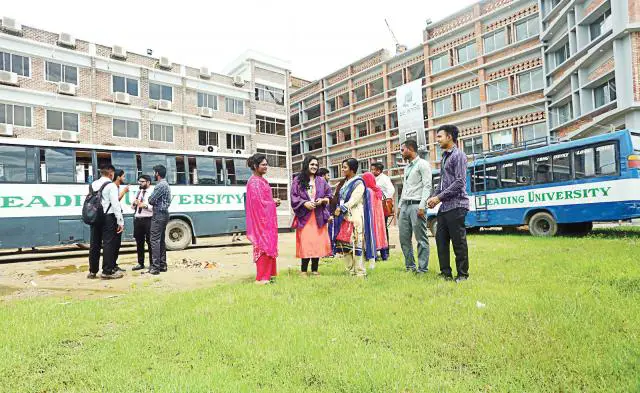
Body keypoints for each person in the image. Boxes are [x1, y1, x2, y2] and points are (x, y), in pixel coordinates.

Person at [427, 125, 470, 282]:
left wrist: (439, 198)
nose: (437, 140)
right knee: (441, 240)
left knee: (458, 242)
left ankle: (462, 275)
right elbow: (442, 183)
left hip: (457, 205)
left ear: (449, 137)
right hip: (445, 206)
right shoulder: (445, 157)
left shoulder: (458, 155)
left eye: (439, 137)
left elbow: (459, 182)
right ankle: (446, 273)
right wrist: (433, 197)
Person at [331, 158, 376, 277]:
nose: (342, 169)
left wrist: (341, 208)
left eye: (345, 167)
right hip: (344, 217)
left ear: (352, 169)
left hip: (355, 215)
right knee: (345, 245)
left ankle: (360, 272)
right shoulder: (344, 182)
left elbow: (354, 200)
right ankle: (349, 271)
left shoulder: (358, 183)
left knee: (356, 244)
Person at [290, 156, 332, 276]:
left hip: (318, 216)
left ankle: (314, 270)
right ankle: (303, 270)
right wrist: (305, 203)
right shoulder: (298, 180)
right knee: (306, 242)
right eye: (312, 164)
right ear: (306, 165)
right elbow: (294, 197)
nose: (314, 167)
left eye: (316, 165)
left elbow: (329, 195)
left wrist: (323, 200)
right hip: (305, 217)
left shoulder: (321, 181)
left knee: (317, 243)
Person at [245, 153, 281, 284]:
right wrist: (272, 203)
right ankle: (261, 278)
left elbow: (264, 200)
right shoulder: (254, 182)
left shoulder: (261, 180)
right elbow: (257, 204)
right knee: (263, 246)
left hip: (267, 221)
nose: (266, 167)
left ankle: (269, 275)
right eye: (263, 165)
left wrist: (272, 201)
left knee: (269, 245)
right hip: (261, 222)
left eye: (267, 164)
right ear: (255, 166)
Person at [398, 139, 432, 274]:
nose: (401, 153)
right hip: (405, 205)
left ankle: (422, 269)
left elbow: (427, 186)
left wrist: (423, 206)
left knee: (421, 238)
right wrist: (400, 206)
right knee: (404, 238)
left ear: (410, 149)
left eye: (402, 150)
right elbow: (405, 188)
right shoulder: (407, 167)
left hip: (417, 205)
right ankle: (410, 267)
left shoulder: (423, 164)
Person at [88, 164, 124, 280]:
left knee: (94, 244)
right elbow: (115, 204)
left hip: (95, 217)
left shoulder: (93, 184)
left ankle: (92, 271)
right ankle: (107, 271)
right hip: (108, 217)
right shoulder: (111, 185)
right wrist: (120, 221)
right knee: (109, 244)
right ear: (111, 173)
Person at [148, 165, 171, 275]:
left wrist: (151, 200)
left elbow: (151, 200)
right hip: (164, 214)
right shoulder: (165, 184)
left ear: (157, 173)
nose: (153, 174)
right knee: (160, 240)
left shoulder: (160, 185)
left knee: (154, 240)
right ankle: (162, 265)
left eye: (154, 172)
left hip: (158, 215)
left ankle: (155, 267)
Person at [362, 172, 389, 267]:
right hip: (380, 218)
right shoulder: (378, 190)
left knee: (372, 235)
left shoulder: (367, 191)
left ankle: (374, 256)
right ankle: (384, 255)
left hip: (371, 216)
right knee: (381, 234)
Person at [370, 162, 394, 257]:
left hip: (382, 207)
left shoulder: (384, 179)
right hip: (375, 207)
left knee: (383, 228)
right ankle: (378, 249)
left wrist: (383, 199)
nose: (371, 171)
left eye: (373, 170)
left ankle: (386, 251)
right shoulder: (374, 178)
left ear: (378, 170)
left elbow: (391, 190)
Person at [131, 175, 153, 271]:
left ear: (148, 182)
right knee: (139, 243)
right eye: (139, 181)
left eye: (142, 181)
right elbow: (132, 207)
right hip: (138, 219)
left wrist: (144, 206)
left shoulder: (153, 192)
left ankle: (152, 263)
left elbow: (154, 208)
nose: (140, 183)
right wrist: (134, 204)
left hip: (148, 219)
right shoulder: (139, 192)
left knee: (150, 242)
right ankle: (140, 263)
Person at [112, 169, 130, 272]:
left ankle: (114, 264)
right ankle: (112, 265)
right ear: (118, 177)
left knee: (117, 244)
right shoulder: (113, 187)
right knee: (114, 243)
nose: (124, 178)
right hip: (114, 218)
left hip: (117, 217)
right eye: (123, 176)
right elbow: (115, 201)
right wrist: (124, 192)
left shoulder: (116, 186)